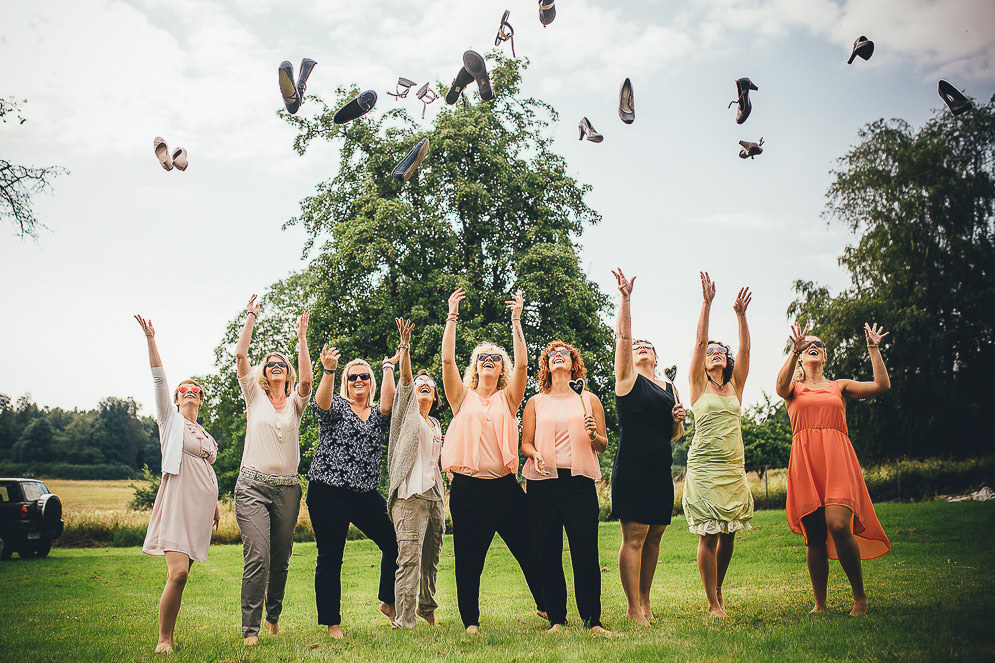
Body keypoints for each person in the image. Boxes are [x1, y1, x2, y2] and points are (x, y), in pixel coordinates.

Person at [440, 287, 545, 633]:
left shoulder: (508, 399)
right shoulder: (461, 397)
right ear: (476, 366)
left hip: (505, 488)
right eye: (483, 356)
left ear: (502, 369)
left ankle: (545, 605)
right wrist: (452, 316)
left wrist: (516, 321)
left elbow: (526, 364)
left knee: (529, 547)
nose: (489, 359)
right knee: (469, 558)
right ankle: (471, 621)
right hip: (469, 490)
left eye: (495, 358)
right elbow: (447, 361)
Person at [775, 322, 892, 616]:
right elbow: (779, 387)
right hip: (806, 462)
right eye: (807, 345)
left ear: (825, 356)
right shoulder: (793, 388)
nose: (813, 345)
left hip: (837, 458)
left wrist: (874, 349)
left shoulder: (837, 386)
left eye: (819, 344)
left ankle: (860, 598)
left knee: (839, 524)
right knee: (814, 535)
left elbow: (881, 386)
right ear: (801, 356)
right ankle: (820, 603)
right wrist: (793, 350)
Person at [135, 315, 220, 653]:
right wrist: (151, 339)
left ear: (201, 400)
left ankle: (170, 634)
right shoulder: (170, 424)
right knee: (179, 573)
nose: (190, 393)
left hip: (201, 509)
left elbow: (205, 470)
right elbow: (159, 379)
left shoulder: (206, 434)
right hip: (176, 505)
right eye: (184, 391)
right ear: (176, 400)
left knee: (184, 577)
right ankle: (163, 640)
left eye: (196, 391)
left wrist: (214, 503)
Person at [305, 337, 398, 638]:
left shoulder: (377, 415)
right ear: (345, 382)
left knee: (394, 541)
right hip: (327, 491)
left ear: (370, 382)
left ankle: (388, 600)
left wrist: (386, 368)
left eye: (364, 376)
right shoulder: (337, 407)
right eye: (353, 376)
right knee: (330, 556)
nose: (359, 380)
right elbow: (321, 404)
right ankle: (333, 624)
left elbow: (388, 404)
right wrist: (329, 372)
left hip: (364, 495)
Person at [233, 294, 313, 645]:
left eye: (282, 364)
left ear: (287, 371)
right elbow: (240, 356)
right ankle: (250, 630)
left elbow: (309, 381)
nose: (276, 366)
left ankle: (273, 616)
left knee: (280, 560)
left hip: (288, 490)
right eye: (270, 363)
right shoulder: (254, 395)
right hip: (252, 486)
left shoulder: (296, 401)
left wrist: (301, 339)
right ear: (263, 373)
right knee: (258, 557)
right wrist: (251, 315)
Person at [609, 269, 686, 624]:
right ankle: (631, 609)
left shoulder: (668, 387)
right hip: (633, 466)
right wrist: (626, 299)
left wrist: (679, 419)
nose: (640, 347)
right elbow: (623, 337)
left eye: (647, 346)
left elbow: (675, 435)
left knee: (655, 535)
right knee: (635, 537)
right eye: (637, 346)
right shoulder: (627, 379)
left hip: (660, 469)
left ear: (656, 357)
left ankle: (645, 602)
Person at [522, 340, 609, 634]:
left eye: (564, 355)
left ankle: (592, 620)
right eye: (552, 355)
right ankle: (557, 618)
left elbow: (603, 445)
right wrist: (533, 454)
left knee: (585, 550)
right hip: (543, 481)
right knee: (547, 550)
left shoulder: (589, 399)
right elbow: (526, 443)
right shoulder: (535, 402)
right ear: (546, 365)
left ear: (574, 364)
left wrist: (594, 435)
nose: (558, 358)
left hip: (579, 483)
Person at [683, 271, 754, 617]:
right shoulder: (698, 385)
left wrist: (741, 317)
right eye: (709, 351)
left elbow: (746, 349)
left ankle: (718, 588)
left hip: (732, 466)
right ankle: (712, 603)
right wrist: (707, 304)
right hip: (704, 467)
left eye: (719, 351)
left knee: (729, 534)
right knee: (709, 535)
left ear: (726, 359)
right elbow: (699, 342)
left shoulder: (735, 385)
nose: (713, 353)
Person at [385, 318, 445, 629]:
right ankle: (404, 621)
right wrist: (404, 346)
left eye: (430, 385)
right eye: (420, 382)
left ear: (435, 397)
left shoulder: (435, 424)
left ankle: (426, 607)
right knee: (409, 559)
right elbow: (406, 378)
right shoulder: (406, 412)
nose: (423, 384)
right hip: (408, 497)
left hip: (433, 497)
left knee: (430, 560)